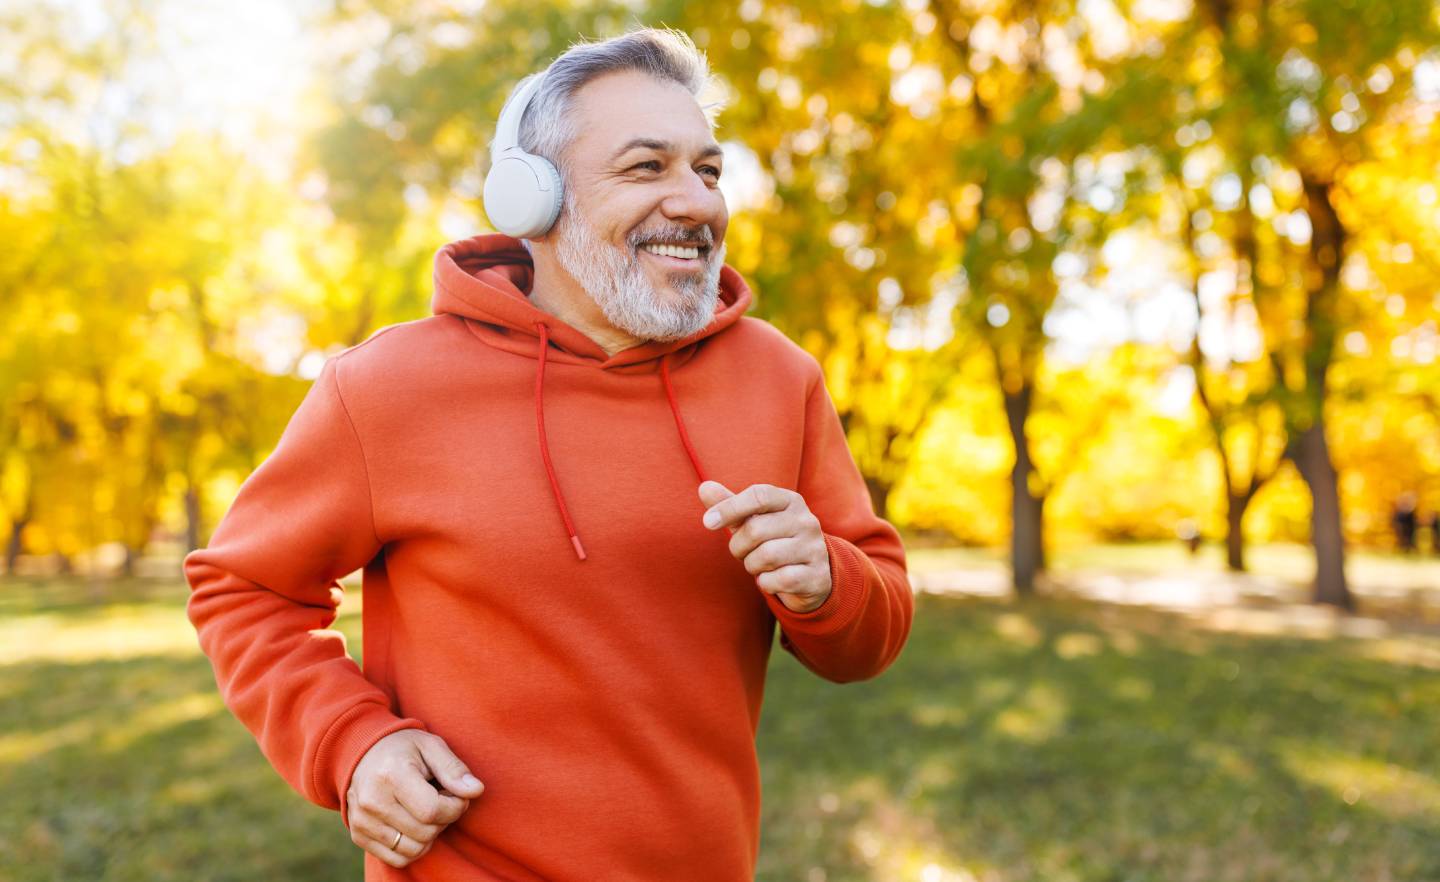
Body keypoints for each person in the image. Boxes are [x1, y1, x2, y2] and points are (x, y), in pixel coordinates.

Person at [184, 27, 913, 882]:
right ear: (532, 197)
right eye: (647, 167)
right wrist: (351, 742)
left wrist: (827, 581)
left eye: (709, 171)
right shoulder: (385, 385)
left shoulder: (779, 379)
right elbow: (245, 589)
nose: (697, 203)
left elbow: (870, 637)